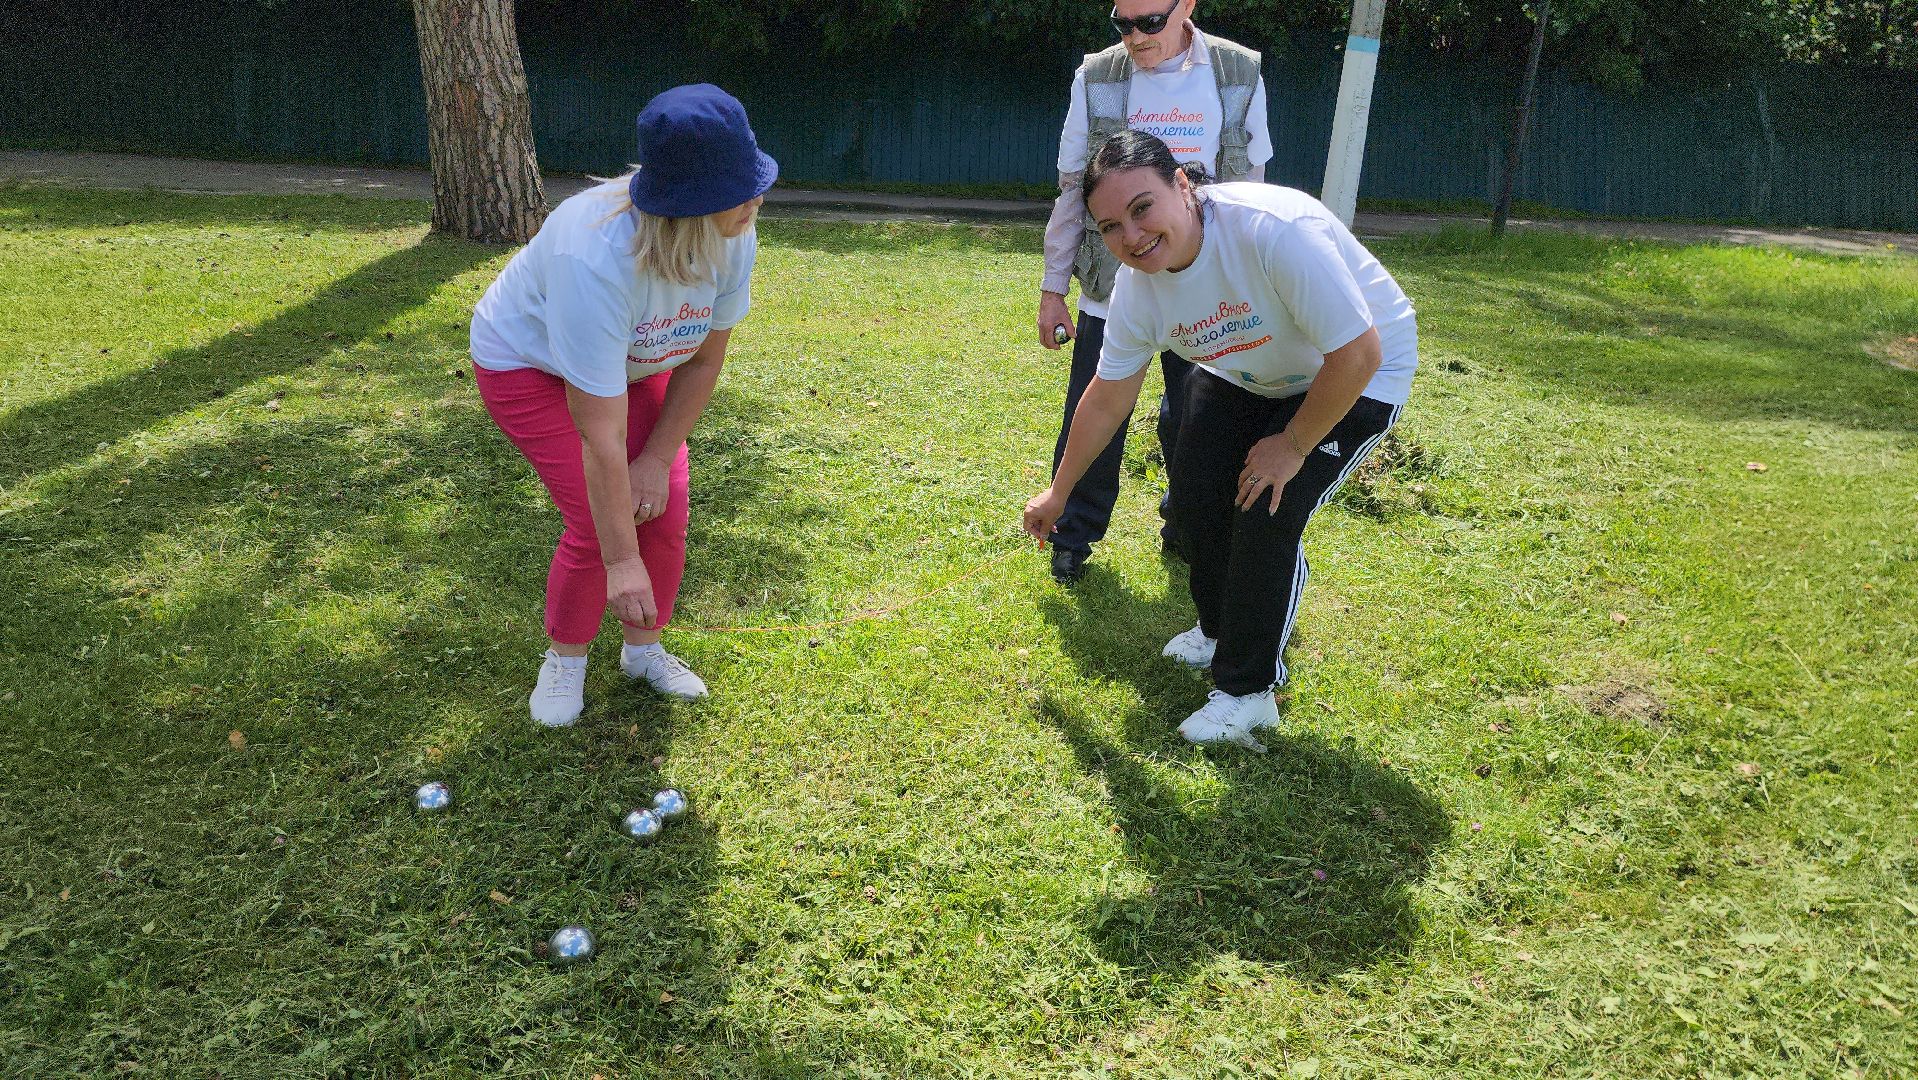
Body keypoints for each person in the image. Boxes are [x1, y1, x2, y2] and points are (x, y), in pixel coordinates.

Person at [1024, 131, 1418, 751]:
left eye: (1142, 207)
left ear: (1184, 186)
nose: (1131, 236)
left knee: (1267, 505)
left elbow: (1358, 351)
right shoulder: (1138, 287)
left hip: (1355, 369)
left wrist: (1291, 445)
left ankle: (1248, 692)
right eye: (1109, 227)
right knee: (1196, 493)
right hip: (1245, 370)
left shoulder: (1271, 231)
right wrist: (1059, 493)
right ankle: (1214, 628)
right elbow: (1106, 396)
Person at [469, 84, 777, 727]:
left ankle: (644, 651)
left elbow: (703, 359)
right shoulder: (593, 255)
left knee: (662, 503)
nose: (757, 199)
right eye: (738, 189)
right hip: (528, 364)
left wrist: (658, 457)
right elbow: (601, 437)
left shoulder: (735, 233)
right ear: (689, 204)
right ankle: (567, 661)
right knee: (599, 517)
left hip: (638, 359)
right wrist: (620, 560)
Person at [1036, 0, 1273, 584]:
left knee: (1197, 419)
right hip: (1113, 288)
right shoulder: (1096, 76)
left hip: (1203, 287)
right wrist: (1052, 287)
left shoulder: (1236, 73)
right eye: (1123, 23)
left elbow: (1253, 192)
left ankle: (1188, 527)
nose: (1135, 37)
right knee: (1095, 410)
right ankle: (1073, 531)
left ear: (1186, 6)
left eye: (1150, 22)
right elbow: (1073, 188)